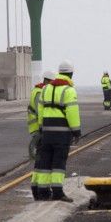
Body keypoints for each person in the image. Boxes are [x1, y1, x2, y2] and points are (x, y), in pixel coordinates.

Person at [32, 60, 81, 202]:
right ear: (70, 74)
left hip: (47, 131)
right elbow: (72, 112)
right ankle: (58, 192)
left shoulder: (46, 89)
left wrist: (41, 128)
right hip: (62, 133)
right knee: (59, 163)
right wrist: (76, 131)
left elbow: (40, 110)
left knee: (45, 162)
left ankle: (42, 192)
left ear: (59, 73)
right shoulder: (69, 90)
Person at [28, 71, 55, 200]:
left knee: (39, 161)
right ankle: (41, 189)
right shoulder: (39, 92)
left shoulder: (38, 90)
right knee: (42, 160)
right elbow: (40, 112)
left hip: (37, 129)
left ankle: (36, 187)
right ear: (47, 81)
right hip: (39, 130)